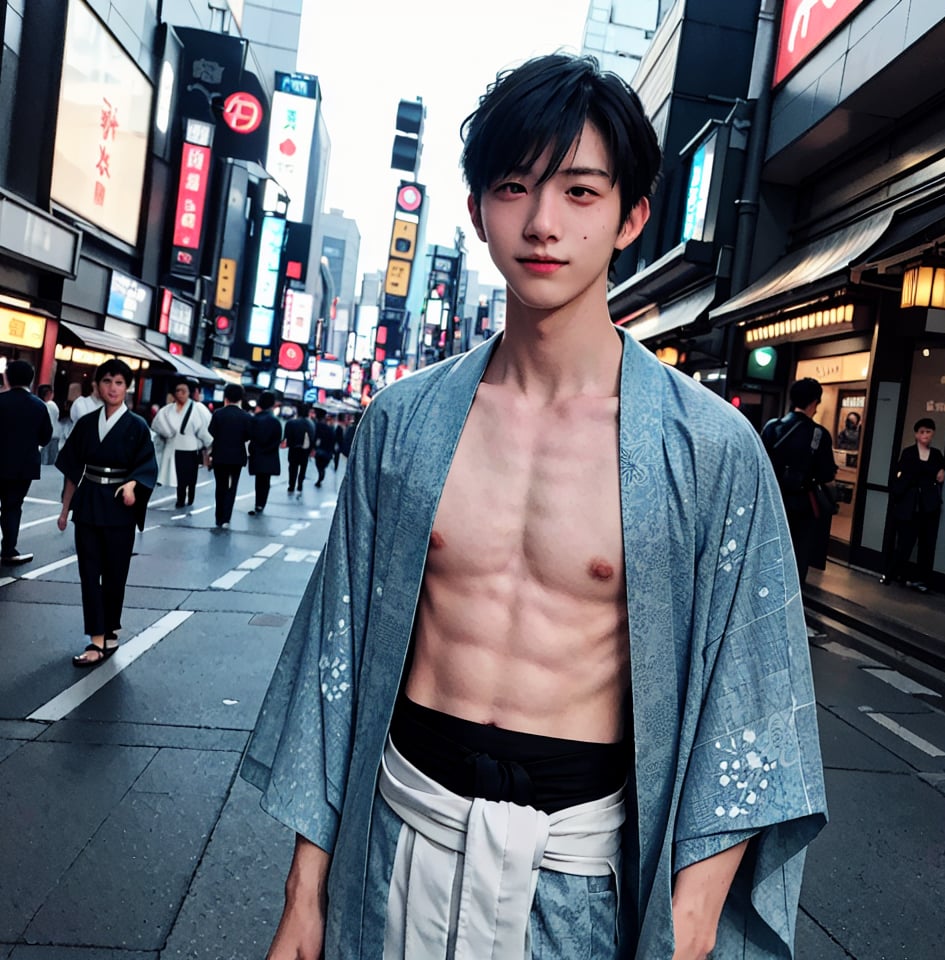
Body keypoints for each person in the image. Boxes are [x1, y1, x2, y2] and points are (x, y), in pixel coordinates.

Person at [242, 54, 826, 960]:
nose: (544, 223)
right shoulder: (403, 424)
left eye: (581, 192)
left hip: (579, 874)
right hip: (402, 836)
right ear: (477, 211)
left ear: (633, 215)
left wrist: (692, 926)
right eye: (514, 188)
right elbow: (338, 667)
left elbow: (744, 707)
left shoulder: (709, 450)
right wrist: (302, 894)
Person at [55, 359, 157, 666]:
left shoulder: (137, 426)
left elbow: (146, 468)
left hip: (118, 506)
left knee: (115, 573)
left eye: (119, 383)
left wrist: (133, 485)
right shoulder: (86, 424)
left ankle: (111, 629)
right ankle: (96, 639)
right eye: (107, 381)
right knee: (89, 572)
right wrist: (64, 510)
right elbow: (73, 469)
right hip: (87, 503)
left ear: (127, 388)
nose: (112, 388)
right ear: (97, 386)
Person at [761, 377, 838, 585]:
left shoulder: (772, 427)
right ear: (814, 403)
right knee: (798, 553)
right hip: (804, 505)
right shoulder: (819, 434)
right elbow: (826, 473)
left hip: (773, 502)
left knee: (769, 550)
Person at [880, 417, 945, 592]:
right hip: (909, 505)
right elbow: (903, 476)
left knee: (926, 544)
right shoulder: (908, 452)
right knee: (905, 543)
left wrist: (939, 472)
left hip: (928, 506)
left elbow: (939, 476)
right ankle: (892, 574)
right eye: (922, 432)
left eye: (929, 432)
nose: (925, 435)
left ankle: (922, 580)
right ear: (916, 434)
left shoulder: (937, 455)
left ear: (933, 434)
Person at [0, 359, 53, 566]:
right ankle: (9, 550)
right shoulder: (39, 406)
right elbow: (45, 437)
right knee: (12, 507)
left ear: (7, 377)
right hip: (23, 467)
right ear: (31, 380)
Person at [152, 377, 213, 509]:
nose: (181, 394)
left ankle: (190, 495)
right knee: (181, 475)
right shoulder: (169, 409)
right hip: (176, 448)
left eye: (183, 391)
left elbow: (202, 429)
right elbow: (158, 425)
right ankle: (181, 498)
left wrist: (209, 445)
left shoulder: (196, 409)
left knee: (190, 475)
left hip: (191, 448)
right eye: (178, 391)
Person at [208, 383, 252, 528]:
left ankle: (218, 517)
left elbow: (212, 432)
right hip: (237, 458)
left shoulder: (218, 414)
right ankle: (226, 518)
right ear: (240, 398)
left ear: (225, 397)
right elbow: (247, 436)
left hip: (219, 456)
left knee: (220, 486)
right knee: (232, 487)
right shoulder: (246, 417)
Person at [247, 391, 282, 516]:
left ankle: (257, 502)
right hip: (269, 456)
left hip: (257, 455)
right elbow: (277, 440)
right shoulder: (276, 422)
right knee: (265, 481)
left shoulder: (254, 419)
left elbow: (249, 437)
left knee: (258, 480)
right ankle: (261, 503)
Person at [283, 402, 316, 497]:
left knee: (292, 467)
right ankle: (300, 484)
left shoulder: (291, 423)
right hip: (305, 450)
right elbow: (313, 438)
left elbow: (286, 437)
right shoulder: (311, 424)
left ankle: (291, 485)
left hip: (293, 449)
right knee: (303, 467)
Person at [37, 384, 61, 465]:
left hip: (42, 436)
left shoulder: (38, 404)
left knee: (43, 459)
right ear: (48, 394)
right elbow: (56, 416)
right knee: (50, 460)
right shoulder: (51, 405)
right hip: (53, 435)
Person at [313, 411, 337, 487]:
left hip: (321, 449)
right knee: (322, 465)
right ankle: (321, 474)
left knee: (319, 464)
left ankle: (321, 474)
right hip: (327, 451)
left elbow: (316, 437)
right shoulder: (331, 429)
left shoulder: (318, 426)